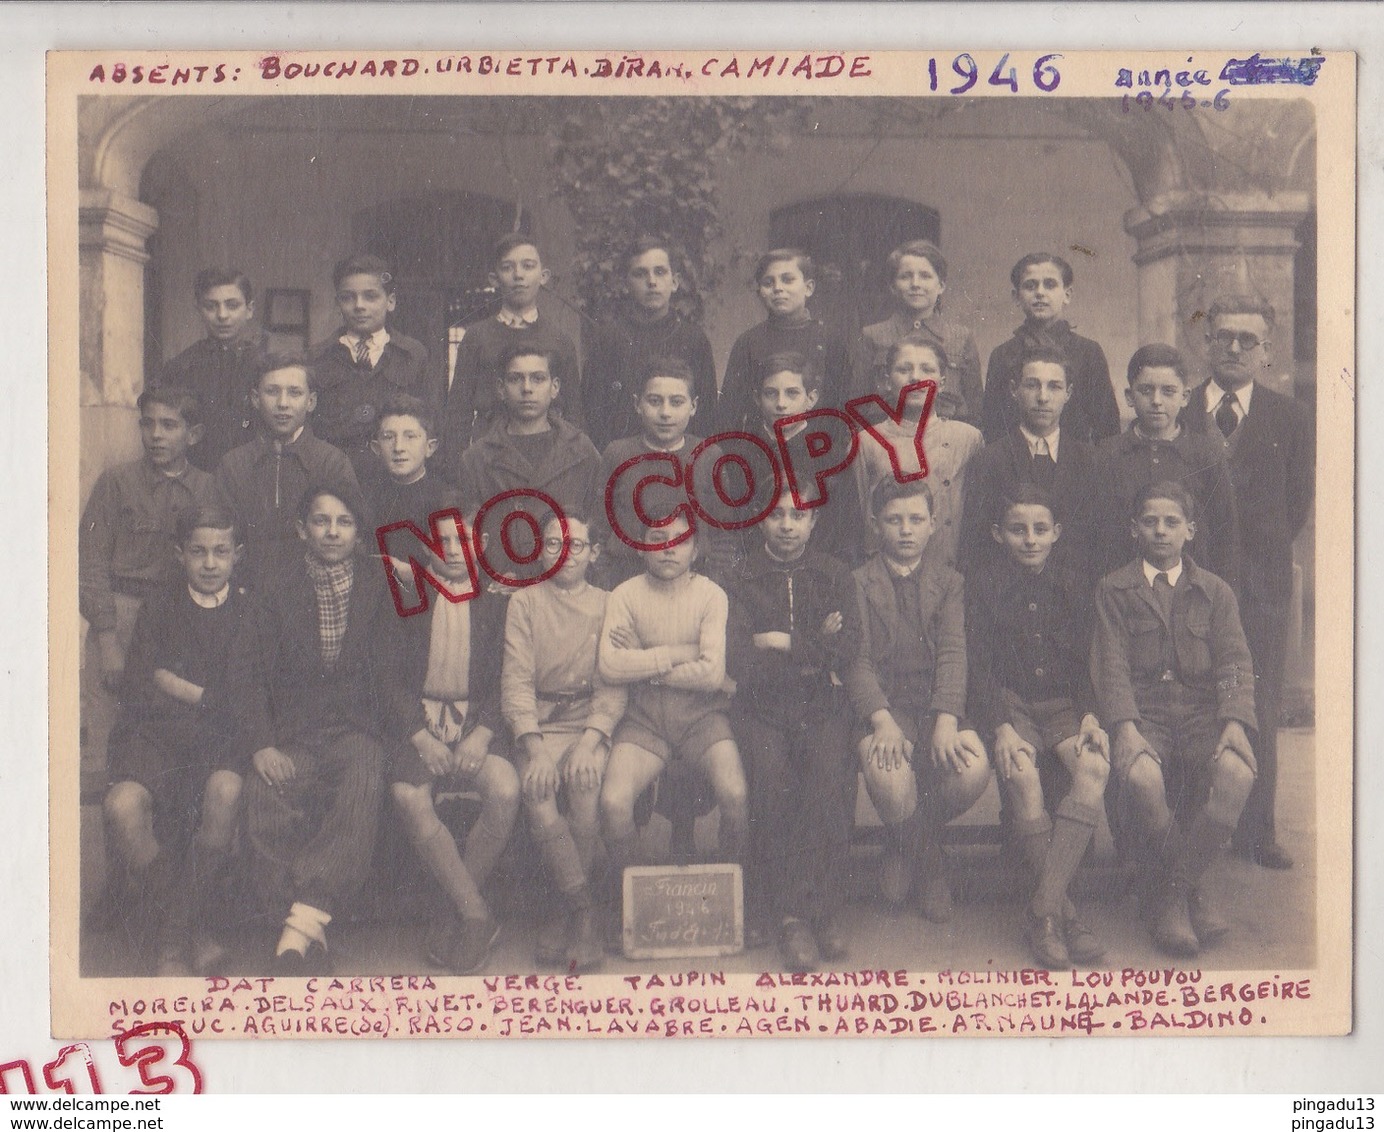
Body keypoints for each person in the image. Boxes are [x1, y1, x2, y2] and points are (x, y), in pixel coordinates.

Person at [231, 482, 410, 973]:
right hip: (295, 733)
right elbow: (246, 673)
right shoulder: (276, 586)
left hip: (356, 729)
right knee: (265, 794)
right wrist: (262, 745)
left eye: (345, 522)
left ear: (359, 534)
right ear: (301, 529)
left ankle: (296, 935)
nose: (332, 532)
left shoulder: (382, 583)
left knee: (361, 785)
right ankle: (304, 924)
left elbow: (399, 662)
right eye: (321, 520)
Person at [1091, 480, 1258, 957]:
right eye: (1150, 521)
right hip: (1147, 716)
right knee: (1142, 777)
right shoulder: (1114, 589)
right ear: (1133, 529)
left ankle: (1172, 891)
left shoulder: (1215, 591)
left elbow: (1234, 662)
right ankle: (1187, 894)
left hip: (1204, 714)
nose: (1160, 531)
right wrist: (1124, 727)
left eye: (1171, 522)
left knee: (1237, 773)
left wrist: (1233, 722)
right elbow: (1112, 667)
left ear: (1190, 530)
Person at [1182, 295, 1314, 871]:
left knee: (1257, 699)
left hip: (1261, 587)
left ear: (1265, 351)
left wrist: (1258, 563)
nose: (1234, 348)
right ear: (1206, 341)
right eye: (1223, 336)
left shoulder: (1290, 416)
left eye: (1248, 340)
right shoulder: (1180, 409)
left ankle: (1258, 830)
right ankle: (1188, 826)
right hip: (1191, 582)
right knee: (1188, 697)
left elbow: (1296, 504)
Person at [101, 505, 250, 976]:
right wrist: (184, 690)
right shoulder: (160, 607)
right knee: (123, 806)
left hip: (220, 742)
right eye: (198, 552)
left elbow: (242, 695)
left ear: (236, 555)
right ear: (179, 554)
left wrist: (181, 685)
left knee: (225, 792)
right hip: (157, 739)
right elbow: (140, 685)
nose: (209, 563)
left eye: (220, 552)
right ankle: (191, 932)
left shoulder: (250, 610)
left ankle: (171, 946)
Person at [966, 484, 1109, 969]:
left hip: (1066, 709)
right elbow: (978, 669)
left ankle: (1044, 909)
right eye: (1017, 530)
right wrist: (1001, 726)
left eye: (1040, 530)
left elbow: (1092, 660)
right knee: (1023, 774)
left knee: (1092, 769)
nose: (1030, 539)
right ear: (997, 534)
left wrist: (1090, 712)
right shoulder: (982, 586)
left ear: (1056, 533)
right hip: (1013, 710)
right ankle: (1063, 918)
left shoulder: (1075, 583)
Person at [722, 490, 860, 971]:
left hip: (821, 703)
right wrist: (812, 647)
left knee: (827, 780)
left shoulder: (834, 574)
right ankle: (789, 915)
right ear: (760, 521)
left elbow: (844, 651)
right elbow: (740, 659)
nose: (786, 525)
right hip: (760, 706)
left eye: (797, 515)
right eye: (774, 513)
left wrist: (781, 641)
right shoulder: (740, 578)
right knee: (773, 782)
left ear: (814, 520)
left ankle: (821, 908)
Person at [597, 514, 748, 947]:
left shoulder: (711, 595)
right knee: (613, 801)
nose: (667, 548)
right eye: (656, 538)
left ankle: (729, 897)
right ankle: (632, 904)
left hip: (703, 717)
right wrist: (681, 654)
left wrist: (645, 664)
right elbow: (610, 665)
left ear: (696, 549)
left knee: (735, 794)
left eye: (679, 540)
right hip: (644, 719)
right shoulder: (624, 595)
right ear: (641, 545)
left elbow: (711, 673)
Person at [844, 479, 991, 922]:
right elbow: (857, 660)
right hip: (887, 708)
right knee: (888, 777)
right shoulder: (857, 582)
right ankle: (930, 869)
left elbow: (953, 652)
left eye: (916, 520)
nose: (905, 530)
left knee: (972, 769)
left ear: (933, 526)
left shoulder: (950, 582)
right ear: (875, 526)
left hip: (933, 705)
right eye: (894, 520)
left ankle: (900, 841)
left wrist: (947, 717)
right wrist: (881, 720)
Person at [387, 495, 520, 976]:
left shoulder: (502, 601)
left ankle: (453, 907)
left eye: (462, 539)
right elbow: (388, 680)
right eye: (441, 541)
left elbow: (511, 676)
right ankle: (476, 914)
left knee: (505, 789)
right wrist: (418, 736)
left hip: (478, 722)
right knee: (408, 794)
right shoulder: (407, 598)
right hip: (420, 722)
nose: (452, 549)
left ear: (481, 543)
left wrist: (481, 735)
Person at [502, 511, 626, 970]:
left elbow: (613, 683)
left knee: (586, 783)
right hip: (541, 723)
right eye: (553, 544)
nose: (564, 554)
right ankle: (579, 908)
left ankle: (568, 908)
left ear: (593, 554)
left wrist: (593, 740)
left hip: (590, 722)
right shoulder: (525, 603)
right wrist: (533, 748)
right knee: (538, 789)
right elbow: (516, 682)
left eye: (576, 545)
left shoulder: (610, 602)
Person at [80, 387, 219, 761]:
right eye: (148, 424)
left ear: (194, 435)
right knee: (106, 731)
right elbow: (89, 562)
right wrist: (108, 640)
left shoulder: (209, 488)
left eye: (169, 425)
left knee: (168, 733)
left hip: (179, 617)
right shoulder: (116, 483)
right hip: (122, 613)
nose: (156, 435)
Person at [1092, 344, 1240, 587]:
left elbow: (1225, 536)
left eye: (1168, 391)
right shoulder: (1107, 455)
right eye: (1146, 390)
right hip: (1124, 595)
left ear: (1185, 397)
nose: (1157, 401)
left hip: (1191, 594)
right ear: (1130, 397)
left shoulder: (1206, 456)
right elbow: (1095, 537)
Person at [455, 344, 604, 584]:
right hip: (504, 588)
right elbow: (471, 535)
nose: (527, 388)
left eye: (538, 378)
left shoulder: (581, 451)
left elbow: (598, 525)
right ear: (501, 389)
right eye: (516, 379)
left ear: (554, 387)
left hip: (565, 589)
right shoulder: (477, 459)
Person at [214, 354, 359, 582]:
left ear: (311, 401)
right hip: (248, 590)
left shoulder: (332, 462)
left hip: (315, 591)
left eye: (295, 392)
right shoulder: (233, 465)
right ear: (255, 398)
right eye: (272, 391)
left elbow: (347, 538)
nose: (283, 403)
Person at [962, 344, 1100, 578]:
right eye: (1032, 385)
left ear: (1068, 393)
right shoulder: (989, 460)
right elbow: (976, 546)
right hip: (1006, 595)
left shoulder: (1091, 460)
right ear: (1014, 390)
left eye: (1054, 387)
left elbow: (1099, 543)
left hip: (1073, 598)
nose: (1043, 397)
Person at [443, 233, 582, 453]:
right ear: (494, 278)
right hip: (490, 452)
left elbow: (573, 411)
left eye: (528, 266)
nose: (518, 275)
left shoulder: (560, 340)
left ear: (543, 275)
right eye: (507, 267)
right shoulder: (476, 337)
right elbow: (458, 412)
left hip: (546, 449)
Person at [599, 357, 733, 586]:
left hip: (693, 584)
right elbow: (599, 531)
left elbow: (723, 534)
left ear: (694, 406)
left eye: (677, 402)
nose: (665, 412)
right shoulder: (617, 454)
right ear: (637, 404)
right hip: (626, 582)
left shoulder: (709, 456)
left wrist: (711, 582)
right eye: (654, 401)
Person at [854, 335, 983, 570]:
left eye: (927, 369)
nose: (915, 377)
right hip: (887, 573)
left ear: (942, 382)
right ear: (886, 380)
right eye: (903, 369)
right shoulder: (867, 441)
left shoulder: (968, 439)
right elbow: (862, 517)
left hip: (950, 569)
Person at [581, 237, 717, 451]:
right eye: (640, 273)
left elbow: (706, 414)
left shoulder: (693, 340)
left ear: (675, 281)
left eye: (660, 272)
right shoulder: (607, 339)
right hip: (622, 461)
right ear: (626, 284)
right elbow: (592, 412)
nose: (652, 281)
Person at [309, 254, 435, 479]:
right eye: (348, 298)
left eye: (371, 296)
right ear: (337, 303)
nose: (359, 306)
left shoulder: (413, 355)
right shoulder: (317, 358)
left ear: (391, 301)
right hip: (335, 478)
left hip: (396, 480)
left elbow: (430, 421)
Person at [980, 253, 1119, 445]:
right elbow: (993, 425)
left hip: (1075, 467)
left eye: (1050, 285)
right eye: (1030, 285)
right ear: (1017, 297)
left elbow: (1107, 427)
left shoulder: (1088, 352)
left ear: (1067, 295)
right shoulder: (1002, 355)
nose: (1040, 293)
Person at [747, 352, 866, 568]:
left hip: (818, 574)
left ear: (811, 399)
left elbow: (846, 532)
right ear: (757, 398)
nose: (781, 404)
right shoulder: (744, 454)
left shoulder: (831, 458)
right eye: (771, 393)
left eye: (792, 393)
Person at [715, 249, 849, 434]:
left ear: (808, 288)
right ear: (760, 292)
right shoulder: (748, 342)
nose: (778, 288)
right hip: (760, 449)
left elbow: (842, 406)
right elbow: (730, 413)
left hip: (817, 450)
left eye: (788, 279)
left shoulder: (829, 340)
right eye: (768, 282)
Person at [850, 239, 981, 424]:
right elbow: (858, 405)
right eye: (905, 276)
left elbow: (975, 408)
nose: (915, 284)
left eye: (925, 276)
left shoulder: (960, 337)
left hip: (947, 440)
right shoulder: (872, 335)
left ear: (941, 286)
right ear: (893, 286)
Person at [157, 268, 266, 470]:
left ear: (249, 309)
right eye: (211, 306)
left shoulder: (266, 367)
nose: (222, 315)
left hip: (254, 477)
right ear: (198, 308)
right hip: (198, 479)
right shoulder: (180, 368)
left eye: (232, 305)